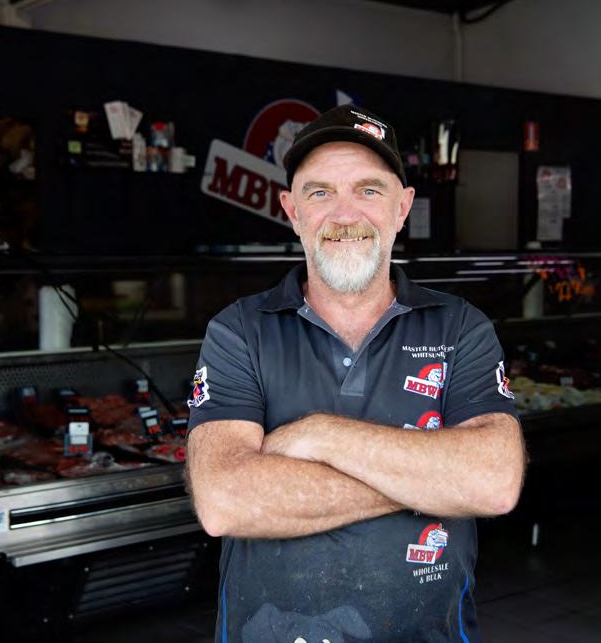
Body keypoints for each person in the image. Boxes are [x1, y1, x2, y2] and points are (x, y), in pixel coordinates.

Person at [186, 104, 526, 643]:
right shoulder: (239, 331)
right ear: (292, 210)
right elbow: (224, 501)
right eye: (320, 192)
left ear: (402, 207)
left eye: (369, 190)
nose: (345, 215)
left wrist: (317, 435)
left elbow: (494, 482)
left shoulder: (460, 326)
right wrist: (435, 479)